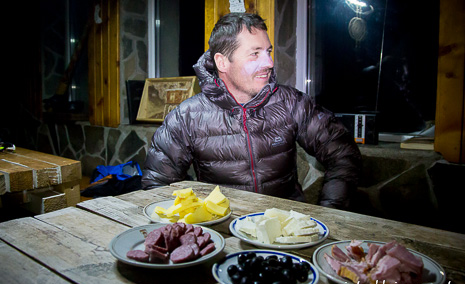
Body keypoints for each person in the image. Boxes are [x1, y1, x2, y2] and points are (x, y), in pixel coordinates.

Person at [142, 13, 361, 209]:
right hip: (224, 234)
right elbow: (156, 184)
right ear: (222, 62)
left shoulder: (291, 102)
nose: (269, 62)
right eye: (255, 54)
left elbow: (344, 154)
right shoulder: (187, 116)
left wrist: (331, 211)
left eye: (268, 51)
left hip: (286, 234)